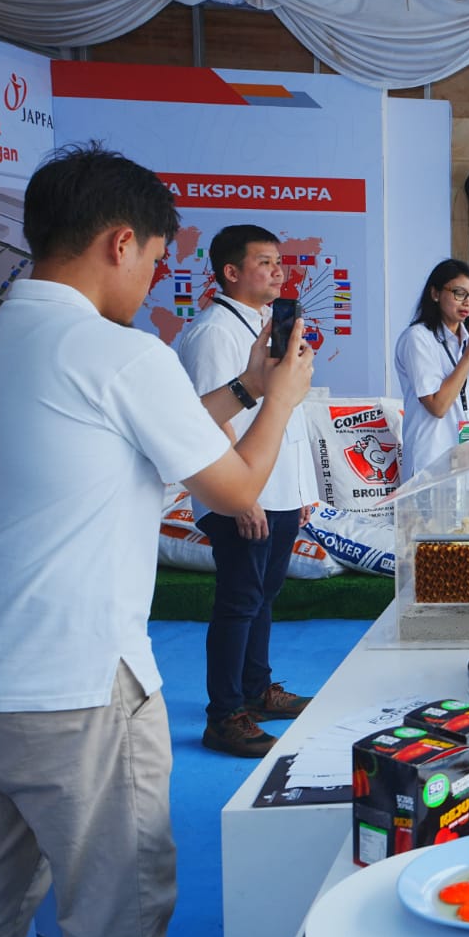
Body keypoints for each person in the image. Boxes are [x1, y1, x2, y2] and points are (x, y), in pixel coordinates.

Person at [0, 144, 314, 937]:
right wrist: (280, 398)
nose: (154, 279)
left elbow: (138, 437)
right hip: (82, 689)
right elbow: (236, 487)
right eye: (157, 260)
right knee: (115, 925)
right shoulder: (122, 353)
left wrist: (245, 389)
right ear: (120, 242)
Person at [175, 224, 318, 758]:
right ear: (231, 272)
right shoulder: (214, 332)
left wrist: (299, 490)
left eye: (279, 261)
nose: (278, 271)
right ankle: (225, 714)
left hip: (275, 488)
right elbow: (212, 420)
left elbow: (286, 412)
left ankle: (256, 689)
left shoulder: (268, 324)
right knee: (238, 601)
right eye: (264, 262)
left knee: (263, 595)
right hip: (241, 492)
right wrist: (244, 498)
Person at [394, 259, 469, 483]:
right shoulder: (418, 339)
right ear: (435, 293)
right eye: (459, 293)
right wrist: (468, 356)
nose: (468, 302)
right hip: (433, 463)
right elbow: (438, 406)